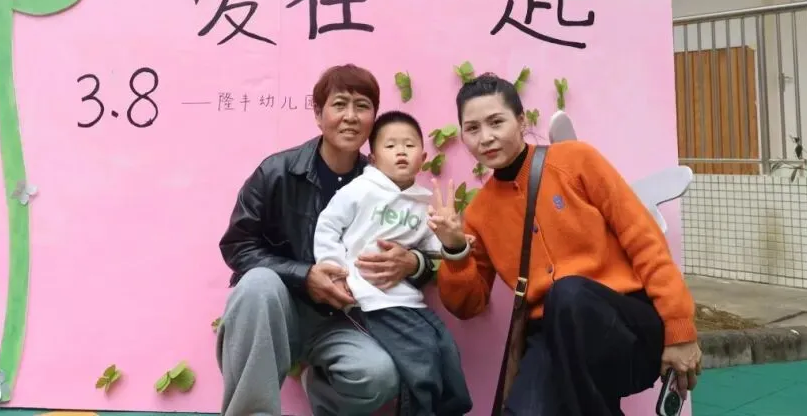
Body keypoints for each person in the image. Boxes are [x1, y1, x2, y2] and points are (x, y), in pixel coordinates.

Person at [429, 73, 703, 416]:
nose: (486, 137)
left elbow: (646, 243)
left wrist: (680, 331)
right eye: (472, 129)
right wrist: (455, 250)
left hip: (627, 326)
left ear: (521, 121)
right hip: (551, 336)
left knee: (568, 292)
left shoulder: (576, 161)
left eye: (496, 122)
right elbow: (468, 305)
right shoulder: (479, 214)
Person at [216, 64, 436, 416]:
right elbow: (238, 246)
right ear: (318, 115)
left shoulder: (388, 185)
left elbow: (427, 252)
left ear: (373, 119)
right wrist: (303, 275)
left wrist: (414, 262)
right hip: (279, 308)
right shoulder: (277, 172)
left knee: (380, 376)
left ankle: (319, 389)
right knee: (257, 284)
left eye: (362, 106)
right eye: (339, 104)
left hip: (346, 319)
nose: (351, 116)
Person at [313, 110, 472, 416]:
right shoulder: (359, 190)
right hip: (370, 299)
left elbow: (431, 245)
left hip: (407, 300)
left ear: (422, 157)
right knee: (420, 363)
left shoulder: (423, 201)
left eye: (409, 145)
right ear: (373, 159)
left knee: (445, 350)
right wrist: (334, 270)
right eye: (390, 146)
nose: (401, 151)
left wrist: (453, 239)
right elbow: (328, 226)